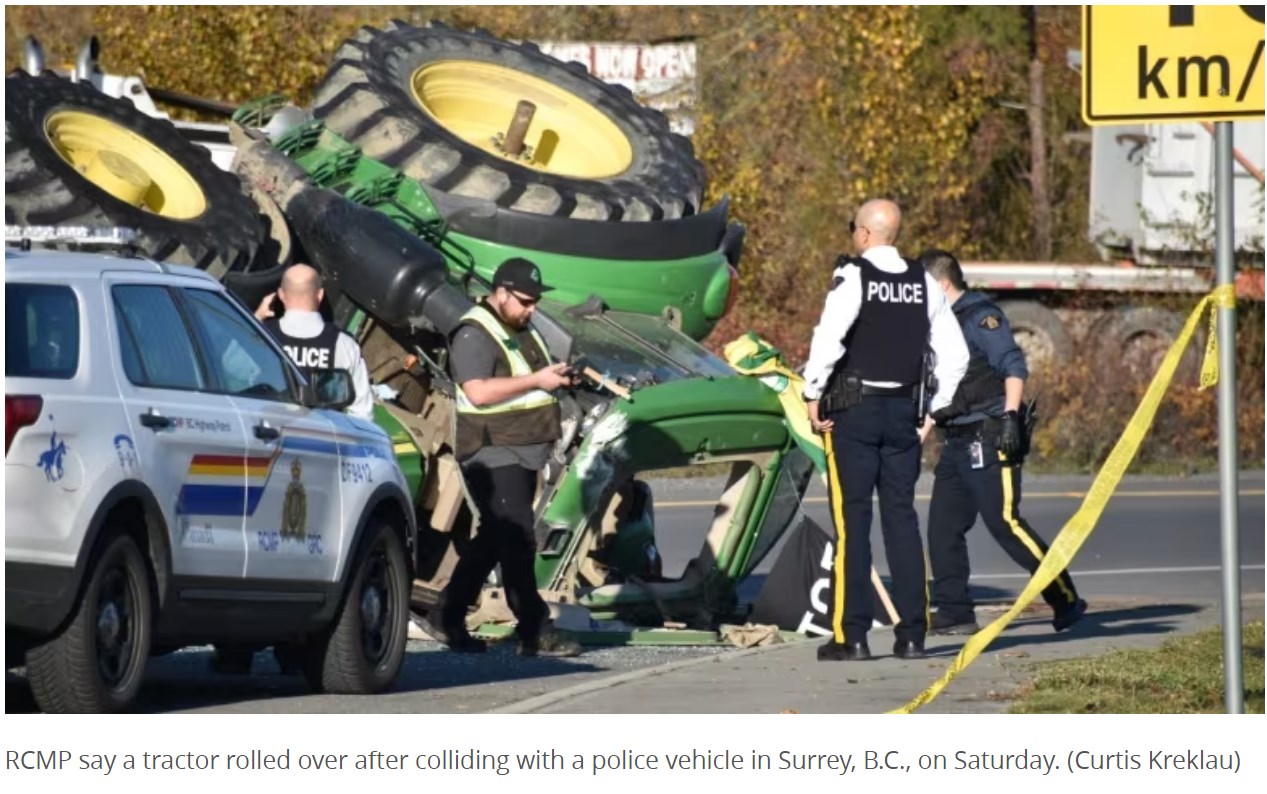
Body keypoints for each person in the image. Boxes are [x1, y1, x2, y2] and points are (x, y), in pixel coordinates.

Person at [802, 199, 969, 662]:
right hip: (904, 414)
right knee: (901, 521)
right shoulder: (924, 282)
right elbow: (955, 357)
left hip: (852, 413)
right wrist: (932, 413)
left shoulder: (854, 277)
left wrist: (812, 392)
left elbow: (828, 338)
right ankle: (913, 635)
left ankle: (850, 636)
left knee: (853, 523)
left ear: (864, 234)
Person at [919, 249, 1087, 635]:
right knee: (943, 529)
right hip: (956, 441)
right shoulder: (940, 323)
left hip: (990, 433)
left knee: (1005, 523)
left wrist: (1011, 418)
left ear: (942, 284)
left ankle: (1065, 599)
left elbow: (1013, 366)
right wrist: (919, 436)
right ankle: (955, 612)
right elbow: (941, 390)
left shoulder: (981, 316)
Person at [429, 257, 582, 657]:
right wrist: (537, 379)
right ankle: (534, 629)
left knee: (496, 537)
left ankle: (446, 615)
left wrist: (559, 378)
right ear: (501, 293)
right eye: (525, 301)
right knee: (517, 538)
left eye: (535, 302)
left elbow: (526, 379)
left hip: (523, 447)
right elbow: (478, 391)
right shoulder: (474, 333)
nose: (531, 309)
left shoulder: (518, 325)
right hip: (491, 448)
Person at [254, 263, 373, 421]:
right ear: (320, 295)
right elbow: (362, 414)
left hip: (268, 437)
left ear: (281, 295)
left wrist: (255, 320)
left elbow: (226, 370)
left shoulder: (261, 336)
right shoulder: (344, 344)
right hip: (322, 440)